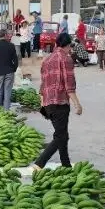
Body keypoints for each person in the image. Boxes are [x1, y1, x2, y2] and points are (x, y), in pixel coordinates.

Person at [34, 33, 82, 169]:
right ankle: (39, 163)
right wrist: (77, 104)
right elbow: (69, 85)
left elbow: (43, 84)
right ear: (68, 45)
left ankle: (66, 165)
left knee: (62, 134)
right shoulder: (66, 59)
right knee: (60, 137)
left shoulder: (47, 60)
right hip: (60, 102)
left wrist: (42, 104)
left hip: (48, 103)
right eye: (70, 46)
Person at [0, 28, 19, 109]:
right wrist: (14, 69)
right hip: (9, 71)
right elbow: (15, 60)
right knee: (7, 92)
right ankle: (6, 111)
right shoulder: (11, 45)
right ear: (5, 35)